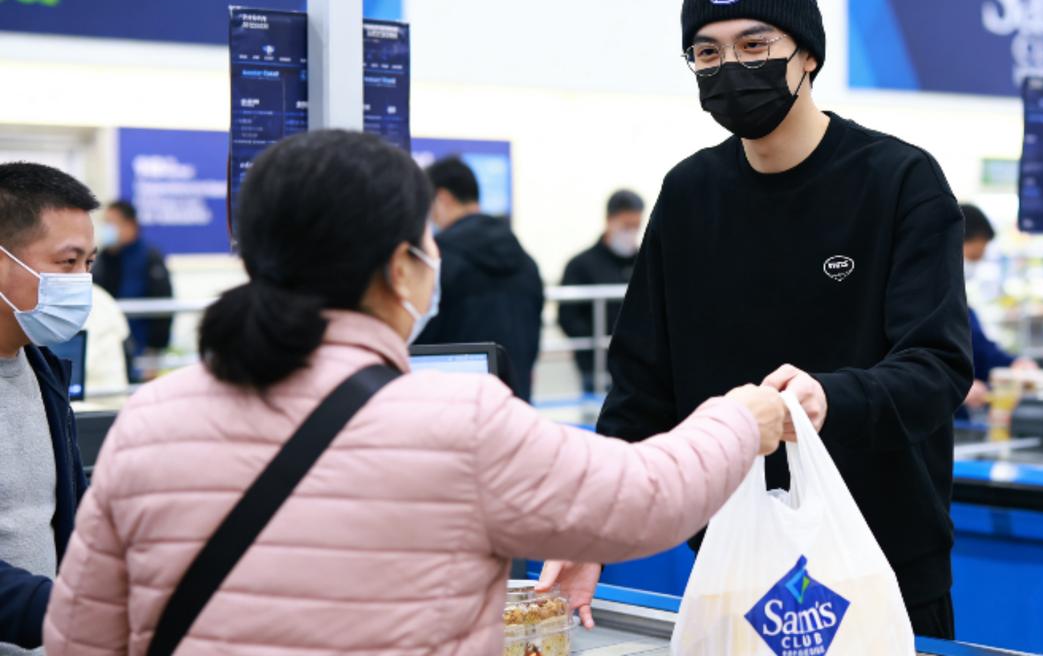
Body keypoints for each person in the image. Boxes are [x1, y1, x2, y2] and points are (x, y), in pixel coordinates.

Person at [41, 130, 789, 655]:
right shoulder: (457, 421)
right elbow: (644, 498)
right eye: (427, 243)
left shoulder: (151, 418)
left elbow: (83, 637)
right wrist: (738, 420)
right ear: (400, 267)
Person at [544, 0, 973, 640]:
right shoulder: (689, 196)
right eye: (707, 53)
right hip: (733, 566)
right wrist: (591, 530)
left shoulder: (899, 182)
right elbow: (640, 389)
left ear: (808, 54)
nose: (730, 68)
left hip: (883, 565)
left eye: (754, 45)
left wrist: (828, 397)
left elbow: (937, 368)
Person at [0, 163, 96, 653]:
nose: (83, 281)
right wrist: (71, 613)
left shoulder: (44, 373)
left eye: (89, 263)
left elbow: (64, 510)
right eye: (68, 262)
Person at [414, 157, 544, 400]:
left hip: (457, 405)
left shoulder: (438, 262)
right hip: (517, 402)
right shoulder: (525, 260)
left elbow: (422, 339)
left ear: (443, 198)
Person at [558, 189, 645, 393]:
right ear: (609, 220)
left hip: (640, 368)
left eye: (636, 225)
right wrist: (602, 342)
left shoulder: (645, 263)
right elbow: (567, 317)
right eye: (626, 225)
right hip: (596, 367)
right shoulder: (581, 265)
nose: (631, 232)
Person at [958, 204, 1036, 412]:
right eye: (974, 256)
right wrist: (954, 385)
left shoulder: (962, 308)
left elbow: (982, 350)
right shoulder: (921, 302)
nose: (977, 263)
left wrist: (1014, 363)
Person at [91, 200, 174, 375]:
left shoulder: (149, 257)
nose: (107, 229)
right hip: (111, 346)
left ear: (130, 225)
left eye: (111, 223)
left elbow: (163, 306)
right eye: (106, 223)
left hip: (141, 347)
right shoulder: (103, 258)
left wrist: (154, 352)